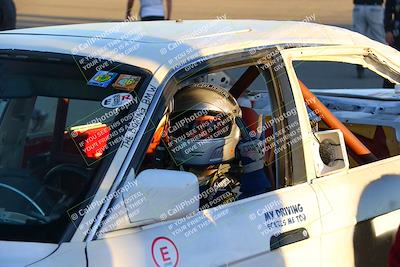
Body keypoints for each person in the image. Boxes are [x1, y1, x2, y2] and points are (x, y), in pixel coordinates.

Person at [164, 83, 272, 208]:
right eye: (192, 126)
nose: (201, 133)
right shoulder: (161, 175)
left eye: (210, 126)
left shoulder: (241, 181)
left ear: (234, 127)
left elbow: (256, 212)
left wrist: (253, 170)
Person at [352, 0, 385, 78]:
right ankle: (383, 66)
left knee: (358, 39)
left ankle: (359, 66)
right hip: (374, 6)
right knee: (379, 38)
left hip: (359, 6)